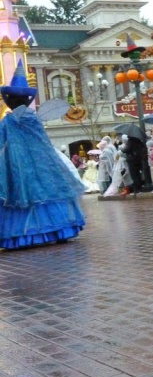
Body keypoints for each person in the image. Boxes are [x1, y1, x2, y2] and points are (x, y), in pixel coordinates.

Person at [0, 60, 85, 249]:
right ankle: (59, 229)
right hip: (43, 165)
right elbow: (44, 144)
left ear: (10, 101)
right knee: (49, 193)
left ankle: (25, 236)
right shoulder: (34, 120)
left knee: (21, 199)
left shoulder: (8, 122)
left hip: (17, 168)